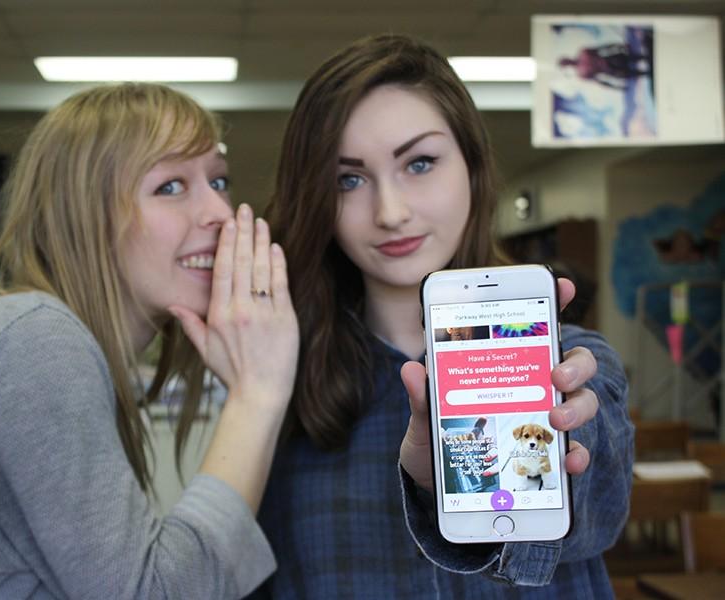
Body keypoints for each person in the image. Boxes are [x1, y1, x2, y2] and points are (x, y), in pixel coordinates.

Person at [0, 83, 300, 598]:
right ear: (87, 215)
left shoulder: (55, 341)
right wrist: (257, 395)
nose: (219, 211)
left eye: (219, 180)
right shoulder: (33, 338)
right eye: (171, 186)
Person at [253, 34, 632, 598]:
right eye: (348, 179)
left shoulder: (573, 360)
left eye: (420, 163)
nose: (390, 212)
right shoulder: (276, 379)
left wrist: (570, 431)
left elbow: (597, 509)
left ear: (473, 168)